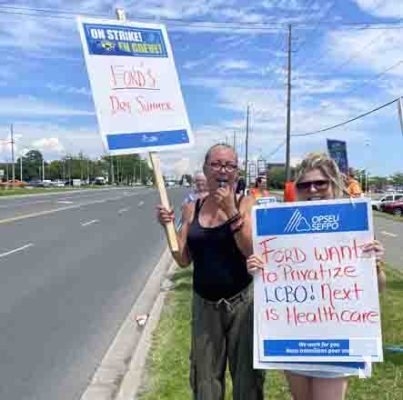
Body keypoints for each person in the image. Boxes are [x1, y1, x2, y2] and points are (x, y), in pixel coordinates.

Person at [247, 152, 386, 400]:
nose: (312, 189)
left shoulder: (354, 226)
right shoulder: (281, 228)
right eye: (304, 184)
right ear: (296, 189)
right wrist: (258, 269)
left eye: (320, 183)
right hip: (295, 339)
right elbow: (272, 280)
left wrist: (374, 266)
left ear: (334, 185)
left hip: (337, 341)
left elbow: (378, 289)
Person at [157, 143, 264, 400]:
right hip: (204, 304)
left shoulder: (247, 203)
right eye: (216, 164)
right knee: (205, 381)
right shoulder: (191, 208)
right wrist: (168, 228)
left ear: (237, 172)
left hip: (243, 303)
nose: (222, 170)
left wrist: (230, 210)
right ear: (205, 169)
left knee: (247, 379)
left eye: (229, 165)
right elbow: (183, 259)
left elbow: (251, 251)